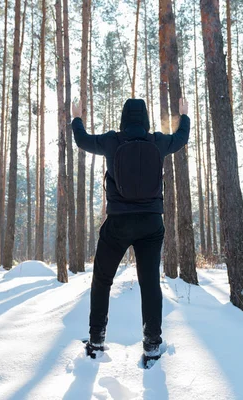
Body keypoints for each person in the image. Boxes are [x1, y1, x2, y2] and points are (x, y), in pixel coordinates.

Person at [70, 97, 190, 367]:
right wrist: (184, 115)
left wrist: (77, 118)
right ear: (145, 118)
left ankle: (96, 340)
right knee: (150, 284)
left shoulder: (113, 141)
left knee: (102, 280)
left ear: (124, 118)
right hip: (151, 224)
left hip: (118, 224)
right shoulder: (157, 142)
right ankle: (152, 345)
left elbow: (83, 140)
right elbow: (181, 138)